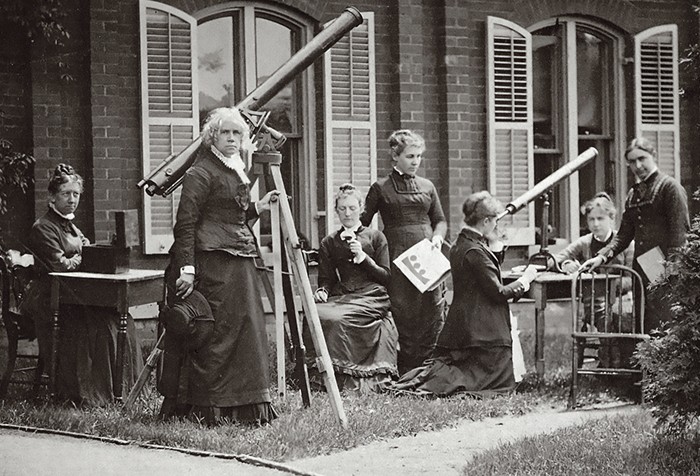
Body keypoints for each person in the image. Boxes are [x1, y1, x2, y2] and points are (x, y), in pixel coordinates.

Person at [158, 107, 279, 425]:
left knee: (247, 331)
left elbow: (229, 214)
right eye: (225, 132)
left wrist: (257, 207)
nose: (231, 138)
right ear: (213, 136)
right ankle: (211, 409)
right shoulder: (201, 172)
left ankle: (244, 409)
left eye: (237, 133)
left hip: (240, 261)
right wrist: (186, 268)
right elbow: (185, 223)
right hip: (211, 264)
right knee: (217, 337)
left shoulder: (235, 168)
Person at [392, 191, 538, 396]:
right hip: (482, 333)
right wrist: (526, 279)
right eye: (495, 222)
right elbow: (498, 292)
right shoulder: (474, 251)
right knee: (489, 383)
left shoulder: (462, 243)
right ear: (486, 221)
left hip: (466, 325)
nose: (498, 226)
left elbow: (486, 273)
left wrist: (496, 243)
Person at [23, 164, 143, 405]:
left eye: (76, 194)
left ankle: (122, 390)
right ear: (52, 197)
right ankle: (86, 393)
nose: (72, 199)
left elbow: (84, 250)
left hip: (72, 297)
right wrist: (82, 256)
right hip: (49, 300)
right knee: (99, 327)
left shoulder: (71, 226)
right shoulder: (43, 227)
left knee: (118, 320)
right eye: (66, 193)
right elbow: (61, 266)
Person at [360, 130, 447, 374]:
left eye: (419, 156)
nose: (416, 161)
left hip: (427, 255)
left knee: (430, 307)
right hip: (397, 255)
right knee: (403, 308)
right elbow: (363, 223)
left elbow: (440, 220)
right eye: (410, 156)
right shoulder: (380, 188)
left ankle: (427, 367)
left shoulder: (427, 186)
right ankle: (402, 367)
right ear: (395, 156)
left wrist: (438, 238)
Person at [582, 138, 690, 331]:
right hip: (642, 270)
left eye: (642, 158)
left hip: (666, 271)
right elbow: (623, 235)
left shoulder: (670, 188)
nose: (638, 166)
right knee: (644, 324)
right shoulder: (634, 194)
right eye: (632, 161)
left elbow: (679, 236)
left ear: (654, 156)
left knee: (666, 324)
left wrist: (671, 273)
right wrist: (600, 257)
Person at [310, 184, 398, 392]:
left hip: (373, 294)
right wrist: (322, 290)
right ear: (337, 211)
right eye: (342, 209)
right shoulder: (329, 242)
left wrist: (365, 258)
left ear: (361, 208)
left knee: (339, 319)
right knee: (317, 313)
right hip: (344, 294)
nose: (347, 213)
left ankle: (348, 376)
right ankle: (323, 376)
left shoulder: (376, 237)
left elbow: (386, 276)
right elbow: (327, 279)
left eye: (352, 208)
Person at [555, 192, 634, 367]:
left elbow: (631, 280)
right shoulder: (584, 243)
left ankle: (616, 363)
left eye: (601, 218)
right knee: (602, 313)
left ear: (612, 218)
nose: (596, 224)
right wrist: (567, 264)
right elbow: (556, 259)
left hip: (623, 300)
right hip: (594, 302)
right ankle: (609, 364)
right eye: (591, 219)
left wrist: (606, 284)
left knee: (613, 314)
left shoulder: (627, 246)